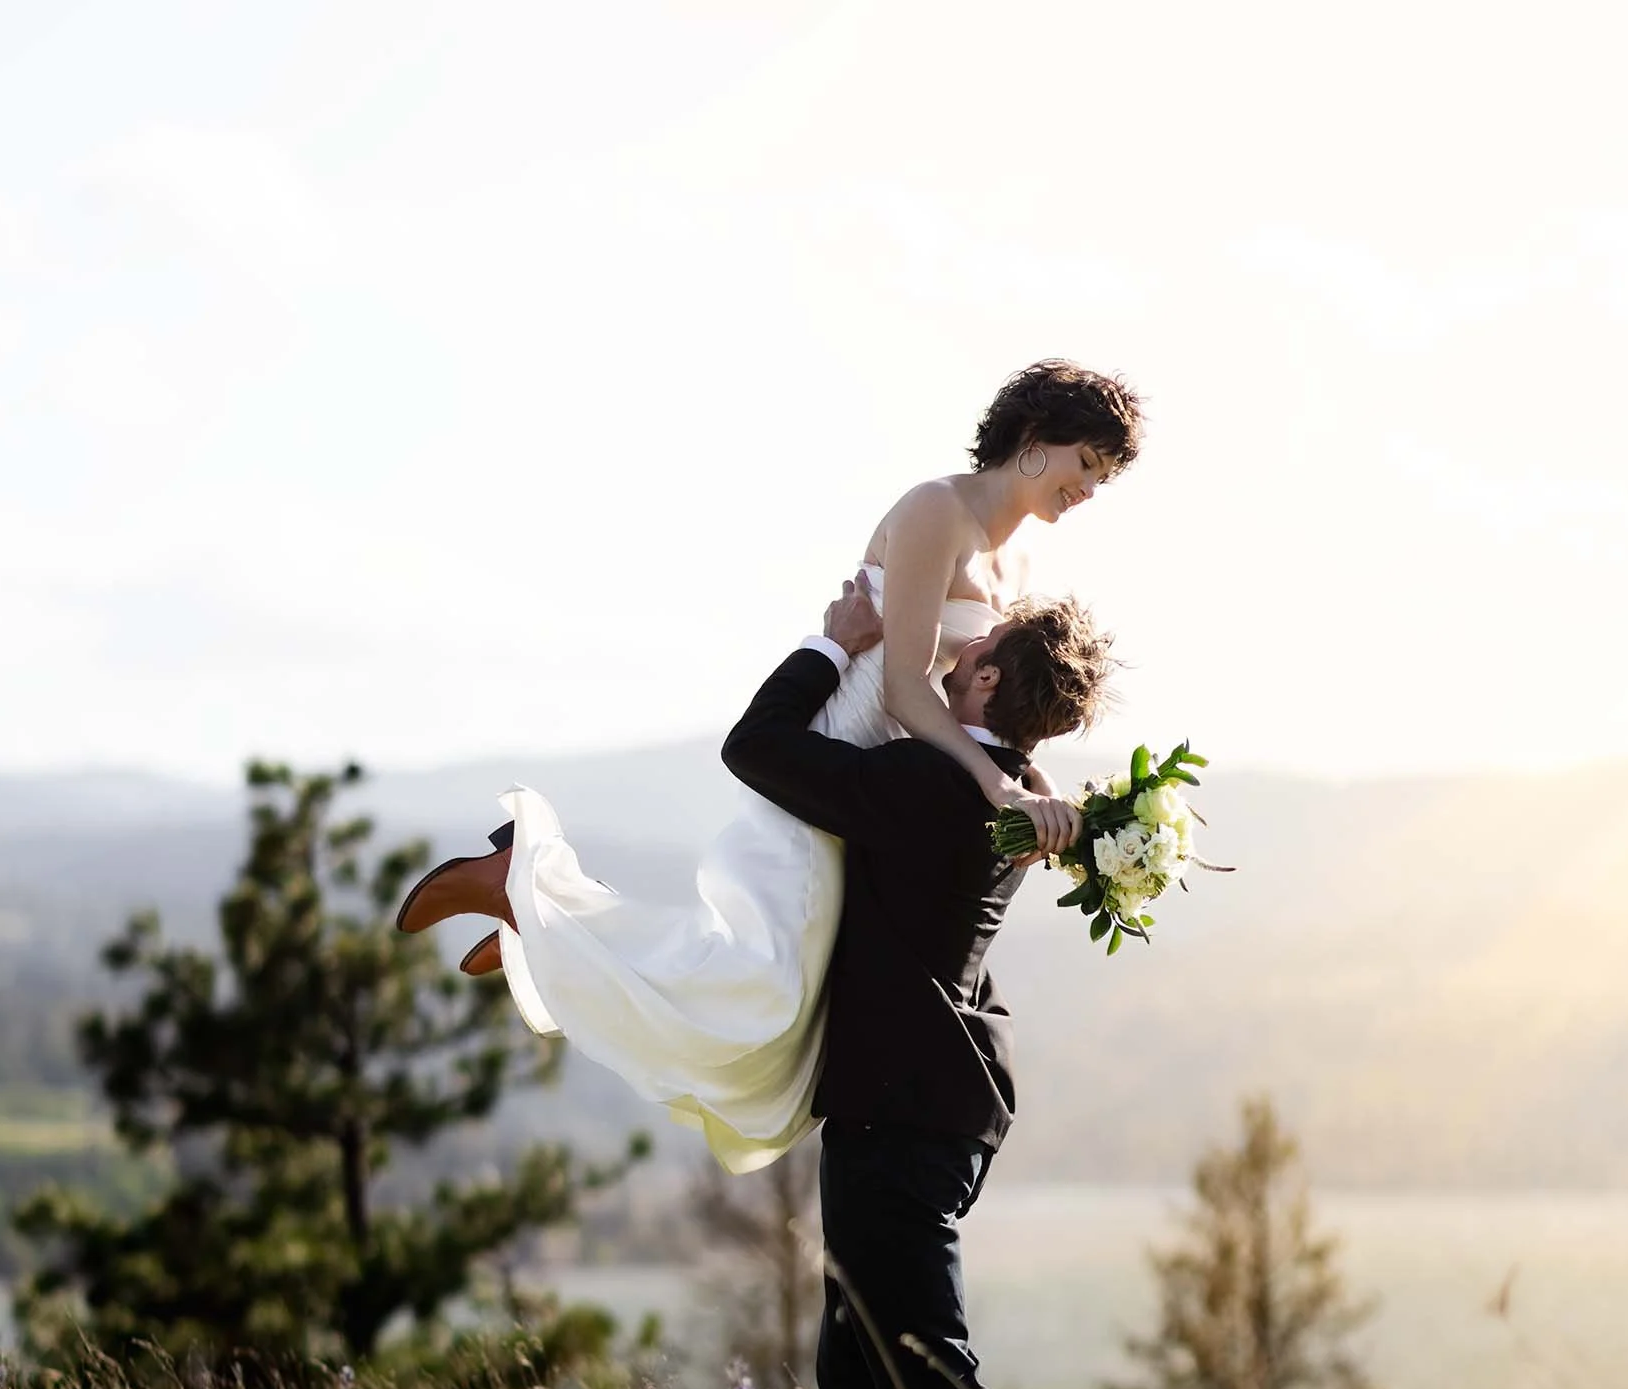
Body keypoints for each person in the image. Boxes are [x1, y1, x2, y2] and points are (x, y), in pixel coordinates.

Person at [393, 360, 1141, 1171]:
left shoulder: (1018, 564)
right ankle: (526, 895)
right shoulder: (938, 511)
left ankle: (538, 922)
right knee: (759, 990)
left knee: (783, 1005)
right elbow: (901, 685)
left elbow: (989, 702)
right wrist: (993, 783)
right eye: (1087, 465)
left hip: (897, 774)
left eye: (1103, 477)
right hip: (843, 743)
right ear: (1037, 437)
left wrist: (1036, 787)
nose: (1090, 490)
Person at [719, 576, 1116, 1389]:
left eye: (966, 647)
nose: (946, 651)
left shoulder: (933, 788)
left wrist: (829, 643)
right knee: (855, 1371)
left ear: (983, 676)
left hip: (897, 1116)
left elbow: (754, 751)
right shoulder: (1001, 793)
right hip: (931, 1105)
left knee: (927, 1360)